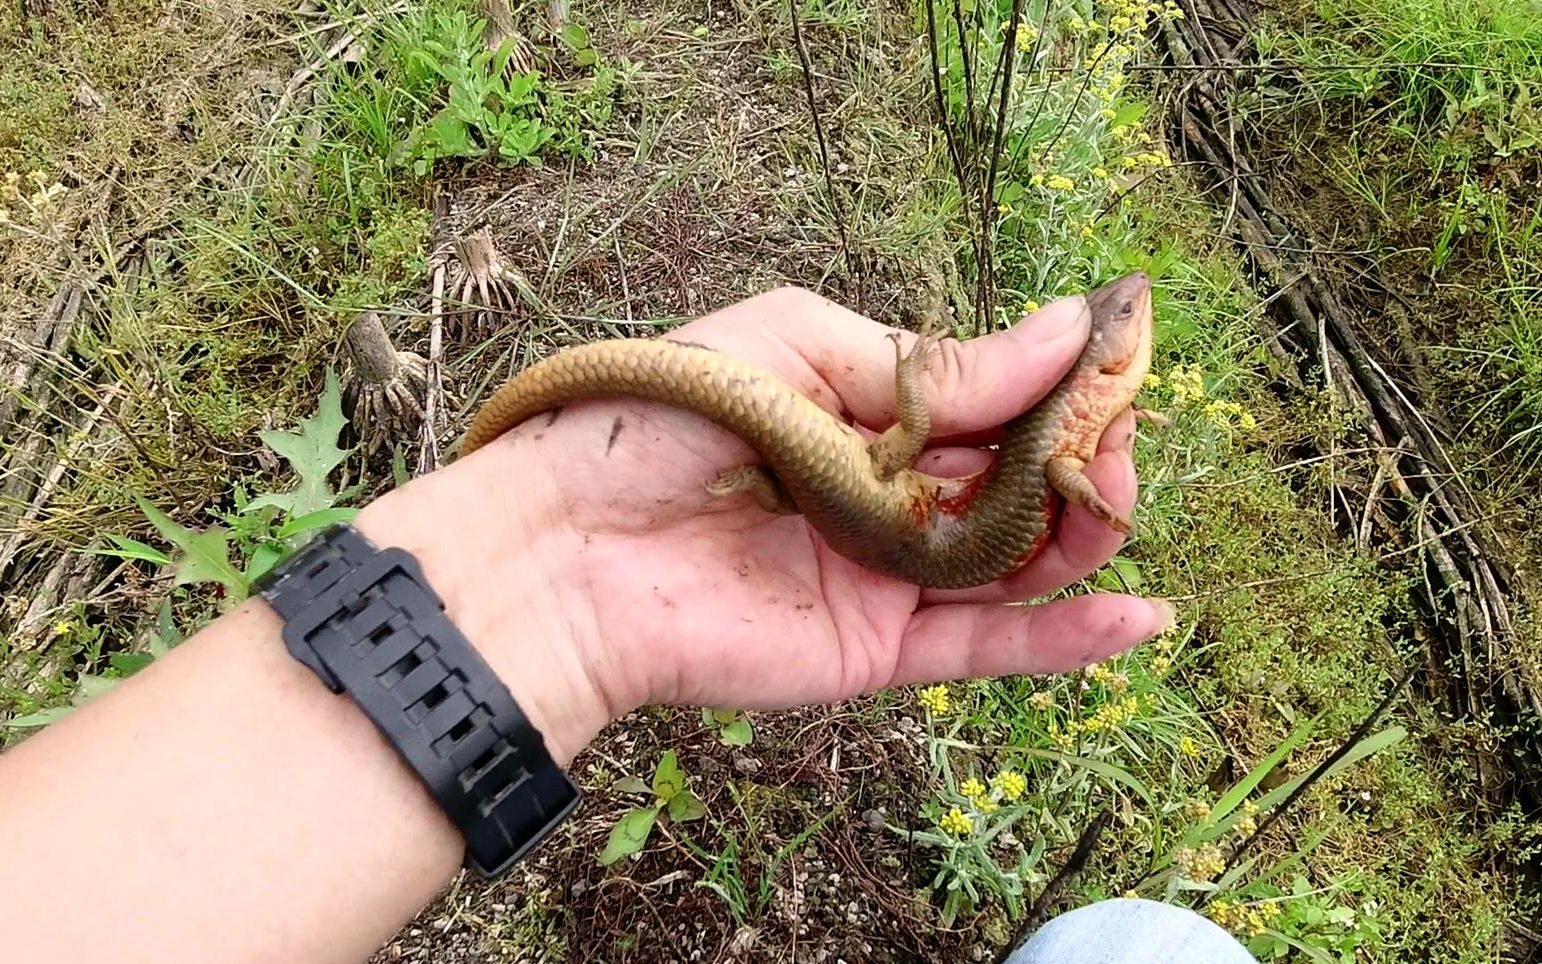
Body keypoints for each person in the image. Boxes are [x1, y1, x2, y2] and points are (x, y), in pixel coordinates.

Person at [0, 286, 1253, 963]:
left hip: (890, 503)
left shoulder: (1051, 437)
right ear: (1092, 387)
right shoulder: (1070, 440)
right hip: (893, 515)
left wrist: (538, 551)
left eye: (1117, 322)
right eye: (1120, 327)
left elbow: (1055, 479)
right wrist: (545, 534)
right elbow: (1076, 489)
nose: (1128, 316)